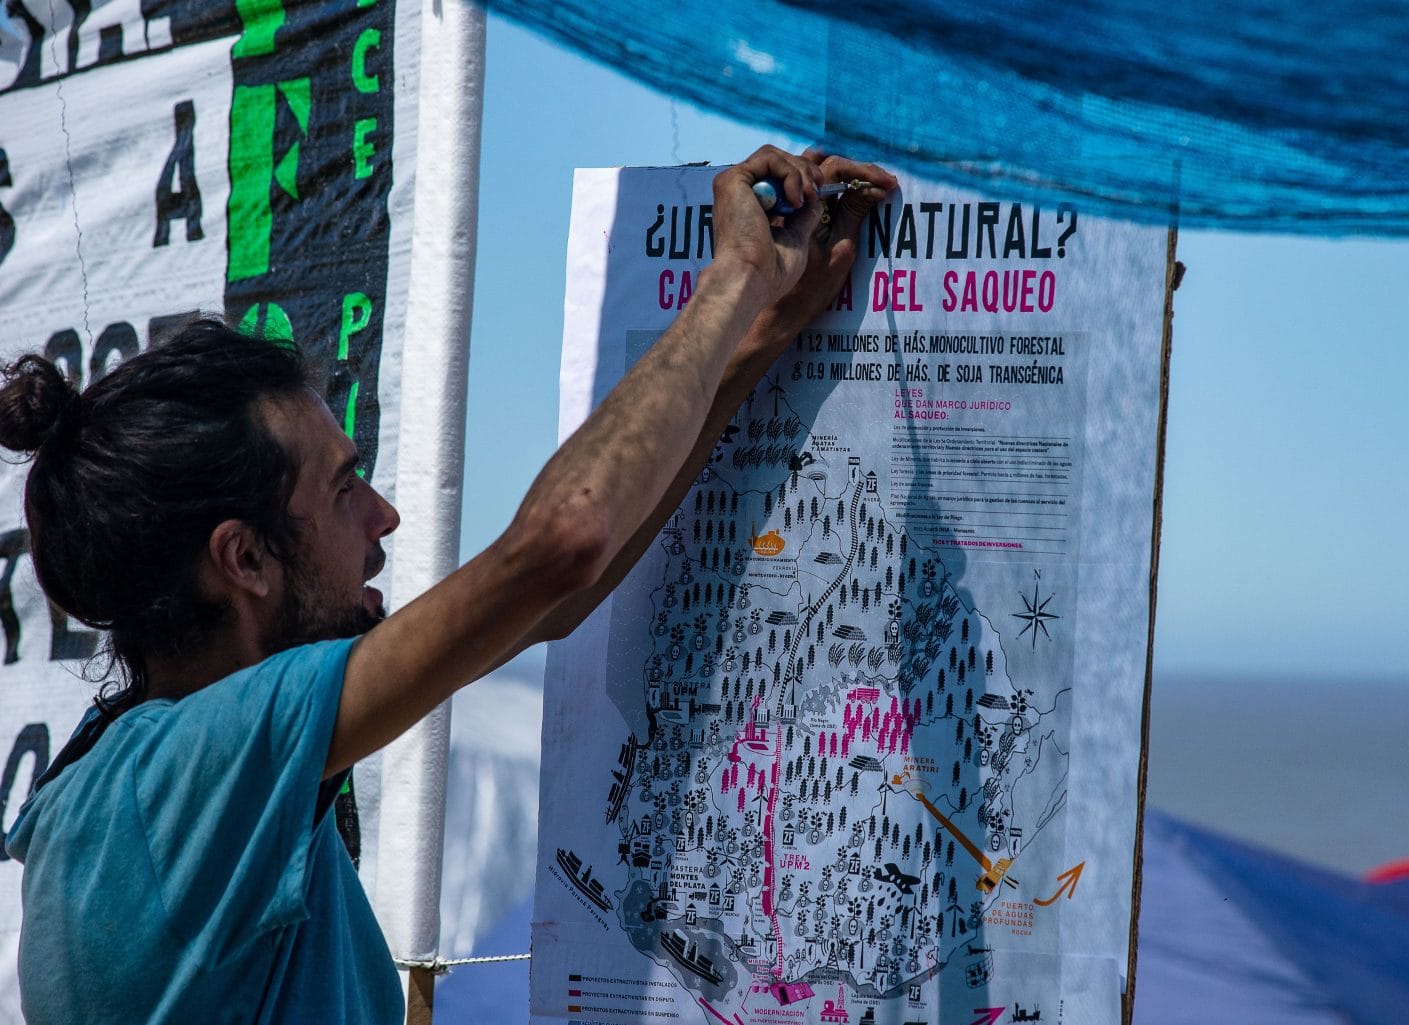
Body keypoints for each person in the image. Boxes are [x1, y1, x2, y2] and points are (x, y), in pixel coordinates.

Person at [0, 145, 895, 1023]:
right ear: (245, 561)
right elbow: (563, 542)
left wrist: (762, 338)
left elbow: (551, 598)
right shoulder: (195, 771)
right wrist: (737, 273)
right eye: (345, 488)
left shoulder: (132, 776)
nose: (383, 516)